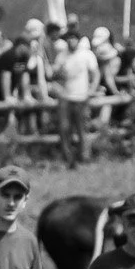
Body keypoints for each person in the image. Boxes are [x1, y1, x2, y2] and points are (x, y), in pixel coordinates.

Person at [55, 31, 98, 167]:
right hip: (65, 97)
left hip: (81, 97)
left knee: (81, 128)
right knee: (64, 128)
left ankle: (84, 156)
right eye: (68, 39)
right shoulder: (62, 55)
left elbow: (95, 74)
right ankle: (68, 158)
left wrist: (92, 89)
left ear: (78, 40)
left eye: (73, 38)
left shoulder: (86, 55)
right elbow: (54, 73)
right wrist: (58, 72)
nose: (70, 41)